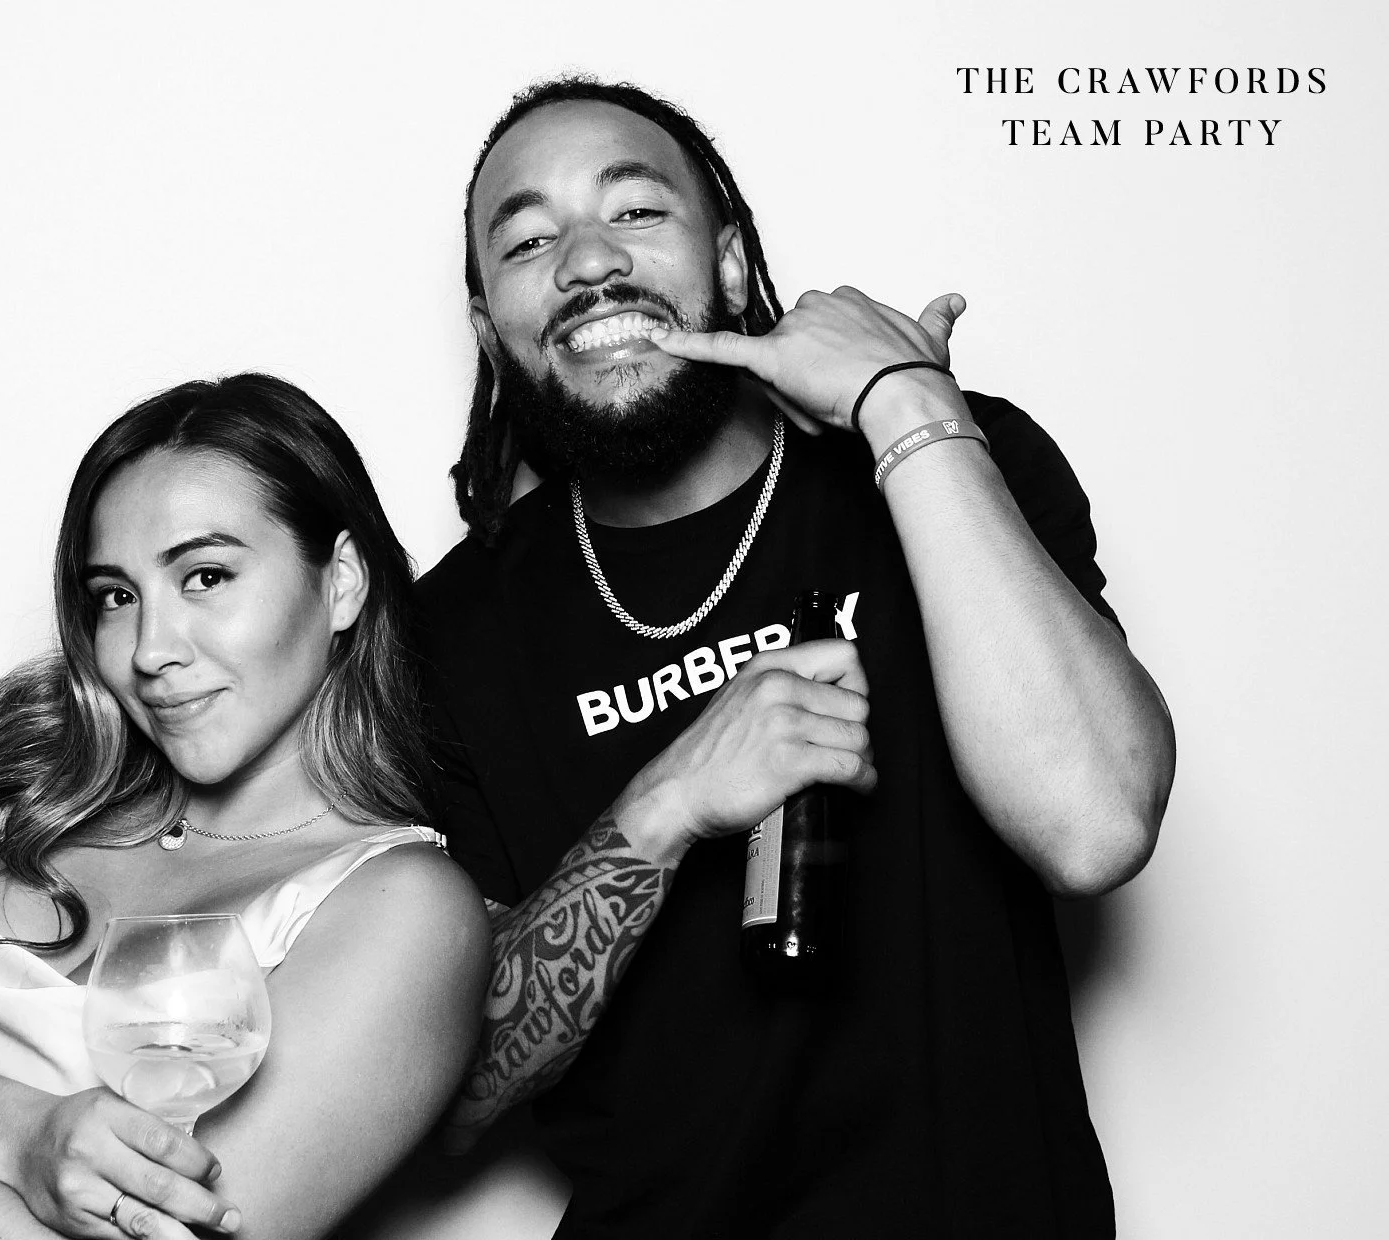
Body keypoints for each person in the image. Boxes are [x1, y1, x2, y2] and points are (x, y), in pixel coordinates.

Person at [419, 77, 1177, 1238]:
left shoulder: (952, 461)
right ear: (492, 328)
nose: (584, 263)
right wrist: (664, 804)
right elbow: (449, 1088)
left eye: (633, 212)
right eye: (527, 240)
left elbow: (1094, 824)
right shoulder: (447, 636)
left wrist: (905, 404)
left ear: (727, 264)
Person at [0, 374, 490, 1240]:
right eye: (115, 596)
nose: (150, 650)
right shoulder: (35, 787)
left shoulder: (402, 908)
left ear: (340, 582)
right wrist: (20, 1134)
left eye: (206, 576)